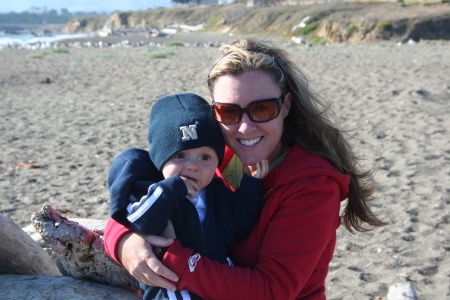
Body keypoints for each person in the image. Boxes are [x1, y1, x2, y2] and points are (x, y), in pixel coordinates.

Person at [104, 36, 386, 300]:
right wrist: (125, 243)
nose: (245, 126)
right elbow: (136, 203)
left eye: (262, 108)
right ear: (214, 113)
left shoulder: (312, 186)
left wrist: (171, 257)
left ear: (286, 105)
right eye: (229, 112)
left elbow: (271, 291)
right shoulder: (211, 156)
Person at [108, 93, 268, 300]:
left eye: (205, 157)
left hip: (215, 281)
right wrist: (170, 189)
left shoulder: (217, 193)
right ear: (160, 160)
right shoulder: (151, 190)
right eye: (180, 155)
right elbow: (138, 221)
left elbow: (240, 227)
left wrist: (250, 187)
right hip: (169, 289)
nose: (193, 166)